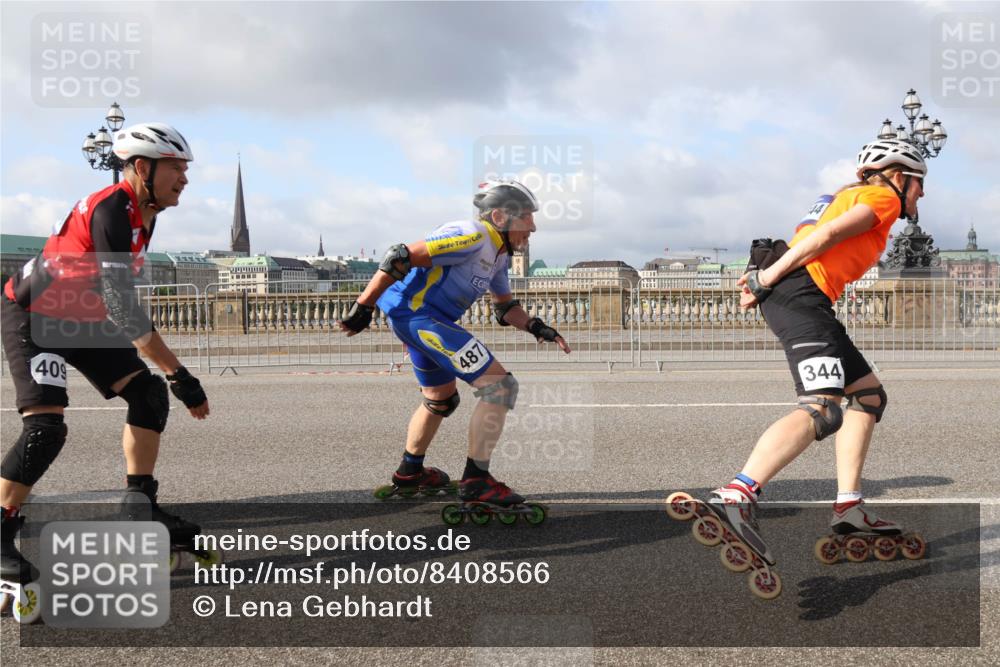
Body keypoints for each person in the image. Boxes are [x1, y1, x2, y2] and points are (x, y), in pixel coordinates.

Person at [0, 123, 211, 597]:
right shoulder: (113, 208)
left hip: (79, 319)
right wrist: (180, 373)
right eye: (177, 168)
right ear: (142, 168)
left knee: (147, 394)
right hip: (35, 317)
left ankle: (139, 504)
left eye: (185, 170)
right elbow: (123, 306)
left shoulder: (146, 212)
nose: (184, 179)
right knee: (46, 430)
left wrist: (166, 377)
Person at [710, 138, 927, 562]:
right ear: (899, 176)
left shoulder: (843, 194)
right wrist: (766, 278)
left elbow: (813, 234)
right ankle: (737, 495)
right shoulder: (882, 197)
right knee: (823, 408)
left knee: (868, 396)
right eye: (919, 182)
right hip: (802, 296)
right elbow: (826, 236)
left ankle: (849, 506)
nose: (923, 193)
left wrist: (767, 276)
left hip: (804, 296)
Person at [338, 179, 570, 509]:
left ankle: (410, 471)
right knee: (501, 388)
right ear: (500, 217)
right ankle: (477, 480)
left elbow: (505, 308)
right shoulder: (473, 235)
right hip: (418, 317)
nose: (533, 226)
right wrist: (364, 306)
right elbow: (400, 256)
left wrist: (538, 328)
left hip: (425, 322)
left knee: (441, 400)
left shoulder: (499, 256)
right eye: (527, 218)